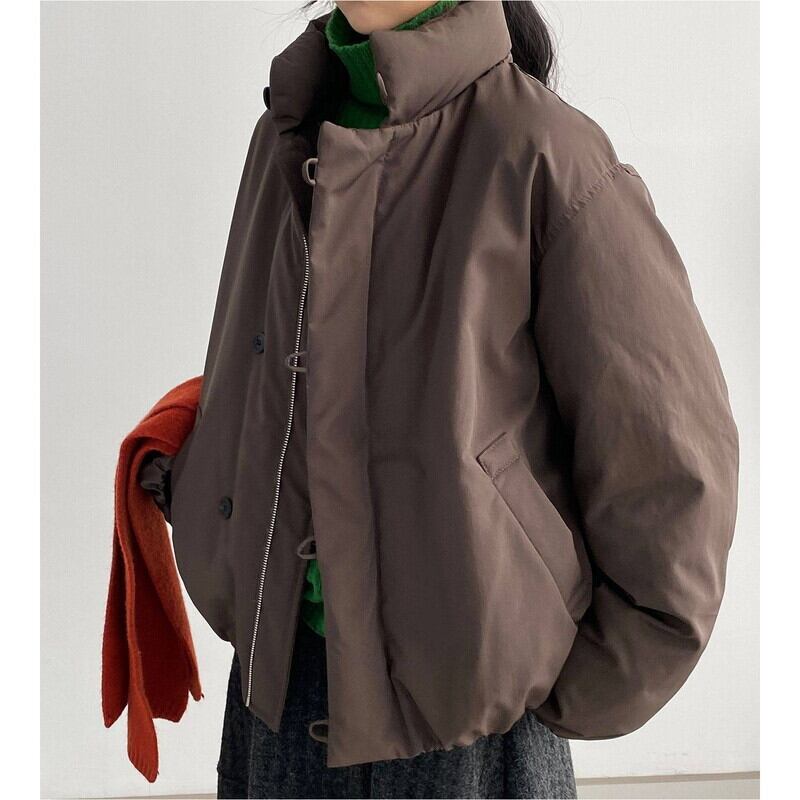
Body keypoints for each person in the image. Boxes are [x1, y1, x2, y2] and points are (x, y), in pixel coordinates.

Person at [137, 1, 739, 797]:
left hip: (464, 733)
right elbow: (255, 359)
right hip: (279, 698)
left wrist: (549, 682)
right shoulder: (287, 130)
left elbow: (668, 461)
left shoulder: (544, 152)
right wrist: (202, 489)